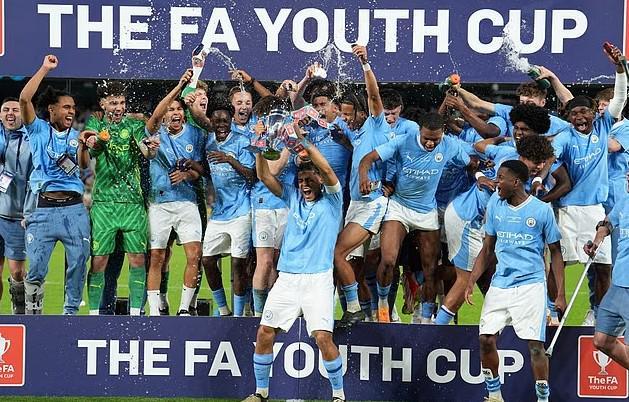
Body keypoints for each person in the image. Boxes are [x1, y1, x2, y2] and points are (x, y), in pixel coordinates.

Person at [242, 124, 345, 402]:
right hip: (287, 279)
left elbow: (328, 170)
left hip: (318, 279)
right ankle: (261, 393)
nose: (304, 185)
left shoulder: (333, 200)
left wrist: (303, 142)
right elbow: (264, 175)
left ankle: (339, 396)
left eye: (309, 179)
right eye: (301, 180)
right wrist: (260, 147)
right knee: (265, 332)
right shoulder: (293, 195)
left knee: (322, 337)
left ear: (320, 180)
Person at [464, 160, 566, 402]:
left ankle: (543, 398)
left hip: (531, 285)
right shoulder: (495, 204)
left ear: (516, 182)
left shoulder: (541, 210)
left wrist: (560, 294)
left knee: (535, 347)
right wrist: (471, 280)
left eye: (501, 178)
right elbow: (487, 248)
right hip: (500, 284)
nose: (496, 182)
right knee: (485, 339)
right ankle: (494, 395)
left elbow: (556, 252)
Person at [438, 134, 556, 325]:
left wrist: (501, 139)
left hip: (474, 218)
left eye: (543, 162)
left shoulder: (505, 152)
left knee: (493, 276)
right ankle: (436, 331)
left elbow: (480, 145)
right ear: (523, 157)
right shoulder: (515, 183)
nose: (540, 167)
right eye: (536, 162)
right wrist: (480, 176)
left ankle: (504, 326)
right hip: (467, 219)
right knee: (465, 280)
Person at [552, 44, 626, 326]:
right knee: (559, 263)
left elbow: (620, 96)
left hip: (596, 210)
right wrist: (538, 177)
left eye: (584, 112)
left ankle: (599, 313)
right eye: (574, 114)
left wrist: (619, 68)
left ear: (595, 112)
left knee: (603, 267)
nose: (580, 117)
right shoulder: (565, 136)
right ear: (568, 117)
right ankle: (552, 311)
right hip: (568, 210)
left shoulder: (606, 126)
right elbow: (550, 156)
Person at [19, 55, 91, 314]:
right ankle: (34, 315)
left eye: (73, 108)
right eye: (66, 107)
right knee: (36, 268)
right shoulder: (37, 129)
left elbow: (82, 165)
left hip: (74, 210)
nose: (71, 111)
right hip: (43, 209)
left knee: (79, 263)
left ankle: (70, 315)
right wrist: (45, 68)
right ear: (52, 109)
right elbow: (24, 99)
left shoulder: (77, 135)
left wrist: (85, 145)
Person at [79, 81, 154, 315]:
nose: (118, 107)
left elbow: (145, 150)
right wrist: (97, 140)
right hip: (104, 204)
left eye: (121, 102)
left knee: (138, 259)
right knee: (99, 261)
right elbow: (93, 146)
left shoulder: (134, 125)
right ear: (103, 104)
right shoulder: (95, 123)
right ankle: (94, 315)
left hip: (133, 204)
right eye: (113, 103)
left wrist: (151, 149)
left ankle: (135, 314)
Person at [332, 45, 391, 327]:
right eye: (342, 114)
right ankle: (366, 315)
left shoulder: (375, 124)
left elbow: (373, 95)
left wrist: (365, 63)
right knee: (352, 265)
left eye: (349, 114)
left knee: (338, 253)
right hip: (355, 204)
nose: (346, 119)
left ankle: (359, 309)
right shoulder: (354, 134)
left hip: (372, 203)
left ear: (360, 111)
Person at [145, 70, 206, 316]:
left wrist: (188, 174)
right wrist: (179, 86)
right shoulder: (154, 133)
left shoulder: (196, 134)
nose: (175, 113)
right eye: (170, 109)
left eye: (179, 109)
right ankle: (155, 309)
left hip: (187, 202)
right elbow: (155, 116)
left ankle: (183, 309)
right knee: (157, 256)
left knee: (195, 254)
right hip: (159, 203)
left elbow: (201, 170)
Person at [192, 98, 255, 316]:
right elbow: (210, 172)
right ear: (211, 121)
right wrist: (193, 166)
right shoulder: (208, 142)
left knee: (238, 263)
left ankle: (237, 315)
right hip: (219, 212)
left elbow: (252, 175)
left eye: (225, 121)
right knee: (207, 259)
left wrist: (229, 159)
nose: (221, 125)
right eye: (217, 121)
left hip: (242, 211)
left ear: (231, 121)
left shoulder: (242, 141)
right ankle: (224, 310)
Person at [585, 173, 629, 370]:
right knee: (602, 340)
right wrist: (596, 241)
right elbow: (608, 222)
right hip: (618, 284)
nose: (627, 176)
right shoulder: (625, 201)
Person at [0, 97, 35, 313]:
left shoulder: (32, 139)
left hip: (16, 217)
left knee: (17, 272)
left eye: (15, 109)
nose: (10, 113)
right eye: (5, 110)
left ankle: (19, 314)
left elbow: (35, 179)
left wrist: (29, 212)